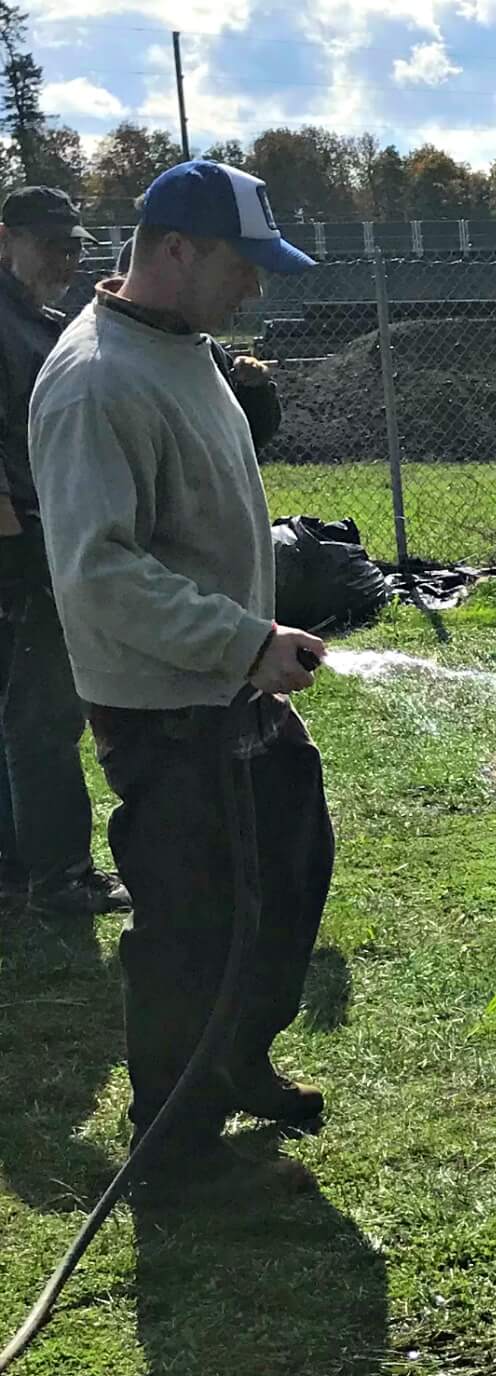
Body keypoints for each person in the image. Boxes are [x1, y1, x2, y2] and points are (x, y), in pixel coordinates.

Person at [30, 159, 331, 1188]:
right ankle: (173, 1142)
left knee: (291, 870)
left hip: (225, 681)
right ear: (173, 251)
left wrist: (250, 638)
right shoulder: (93, 382)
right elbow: (99, 573)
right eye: (242, 264)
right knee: (189, 926)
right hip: (166, 708)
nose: (257, 284)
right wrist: (242, 643)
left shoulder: (180, 347)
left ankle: (236, 1058)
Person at [0, 187, 129, 915]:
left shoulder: (37, 321)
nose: (67, 257)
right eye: (50, 243)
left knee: (17, 712)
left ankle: (18, 864)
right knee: (44, 716)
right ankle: (59, 876)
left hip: (35, 529)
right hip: (20, 540)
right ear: (4, 239)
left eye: (74, 243)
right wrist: (19, 555)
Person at [115, 232, 282, 453]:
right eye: (237, 269)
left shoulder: (204, 348)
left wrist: (254, 389)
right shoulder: (113, 367)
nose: (255, 291)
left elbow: (250, 437)